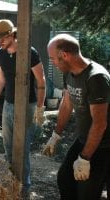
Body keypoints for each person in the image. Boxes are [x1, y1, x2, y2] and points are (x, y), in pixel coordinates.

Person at [43, 33, 110, 200]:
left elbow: (100, 123)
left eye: (53, 58)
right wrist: (55, 135)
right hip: (83, 139)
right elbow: (67, 104)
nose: (52, 63)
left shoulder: (96, 78)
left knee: (86, 193)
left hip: (103, 146)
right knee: (64, 179)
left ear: (64, 55)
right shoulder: (69, 73)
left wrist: (85, 158)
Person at [0, 19, 46, 195]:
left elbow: (41, 81)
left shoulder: (30, 53)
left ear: (11, 35)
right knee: (8, 147)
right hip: (8, 104)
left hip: (27, 106)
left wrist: (39, 107)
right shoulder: (1, 53)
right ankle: (10, 185)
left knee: (21, 150)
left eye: (2, 39)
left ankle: (24, 191)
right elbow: (1, 79)